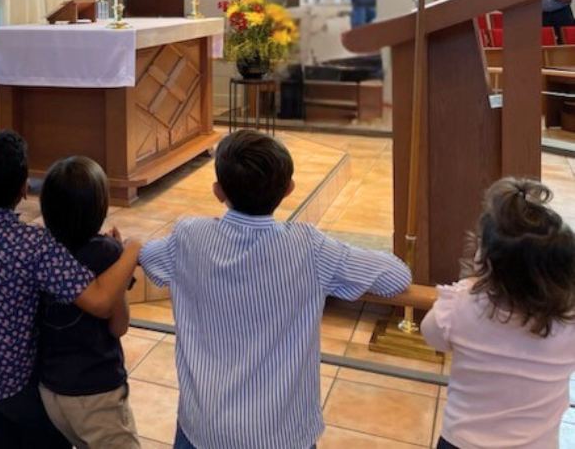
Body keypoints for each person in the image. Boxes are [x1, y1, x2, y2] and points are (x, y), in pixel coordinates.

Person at [139, 130, 412, 449]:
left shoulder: (188, 237)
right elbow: (397, 277)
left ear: (218, 192)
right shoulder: (310, 247)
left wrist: (125, 245)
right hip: (281, 433)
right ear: (289, 189)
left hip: (204, 429)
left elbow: (147, 257)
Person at [0, 130, 142, 449]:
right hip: (17, 389)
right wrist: (132, 249)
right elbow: (102, 302)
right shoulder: (34, 246)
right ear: (24, 188)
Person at [421, 178, 575, 449]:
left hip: (462, 441)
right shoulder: (569, 319)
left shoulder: (460, 304)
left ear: (487, 262)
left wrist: (468, 283)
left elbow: (431, 334)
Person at [37, 156, 141, 449]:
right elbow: (118, 326)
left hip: (51, 389)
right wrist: (128, 252)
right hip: (96, 391)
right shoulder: (106, 253)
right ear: (100, 207)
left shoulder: (42, 249)